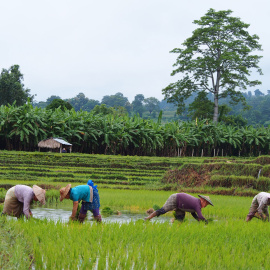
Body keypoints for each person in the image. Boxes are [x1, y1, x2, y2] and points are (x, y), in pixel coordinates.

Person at [145, 193, 214, 223]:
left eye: (207, 205)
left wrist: (198, 219)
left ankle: (176, 229)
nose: (205, 205)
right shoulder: (197, 204)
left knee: (180, 218)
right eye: (206, 203)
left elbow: (193, 213)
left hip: (180, 207)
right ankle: (147, 218)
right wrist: (206, 221)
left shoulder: (196, 204)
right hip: (175, 199)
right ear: (202, 200)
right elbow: (200, 216)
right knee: (163, 210)